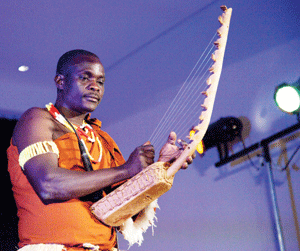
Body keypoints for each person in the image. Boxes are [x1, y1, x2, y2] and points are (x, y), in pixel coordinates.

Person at [7, 49, 194, 251]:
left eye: (101, 81)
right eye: (85, 78)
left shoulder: (102, 140)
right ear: (61, 82)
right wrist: (125, 170)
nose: (95, 86)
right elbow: (48, 185)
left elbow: (125, 209)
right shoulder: (37, 119)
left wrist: (163, 167)